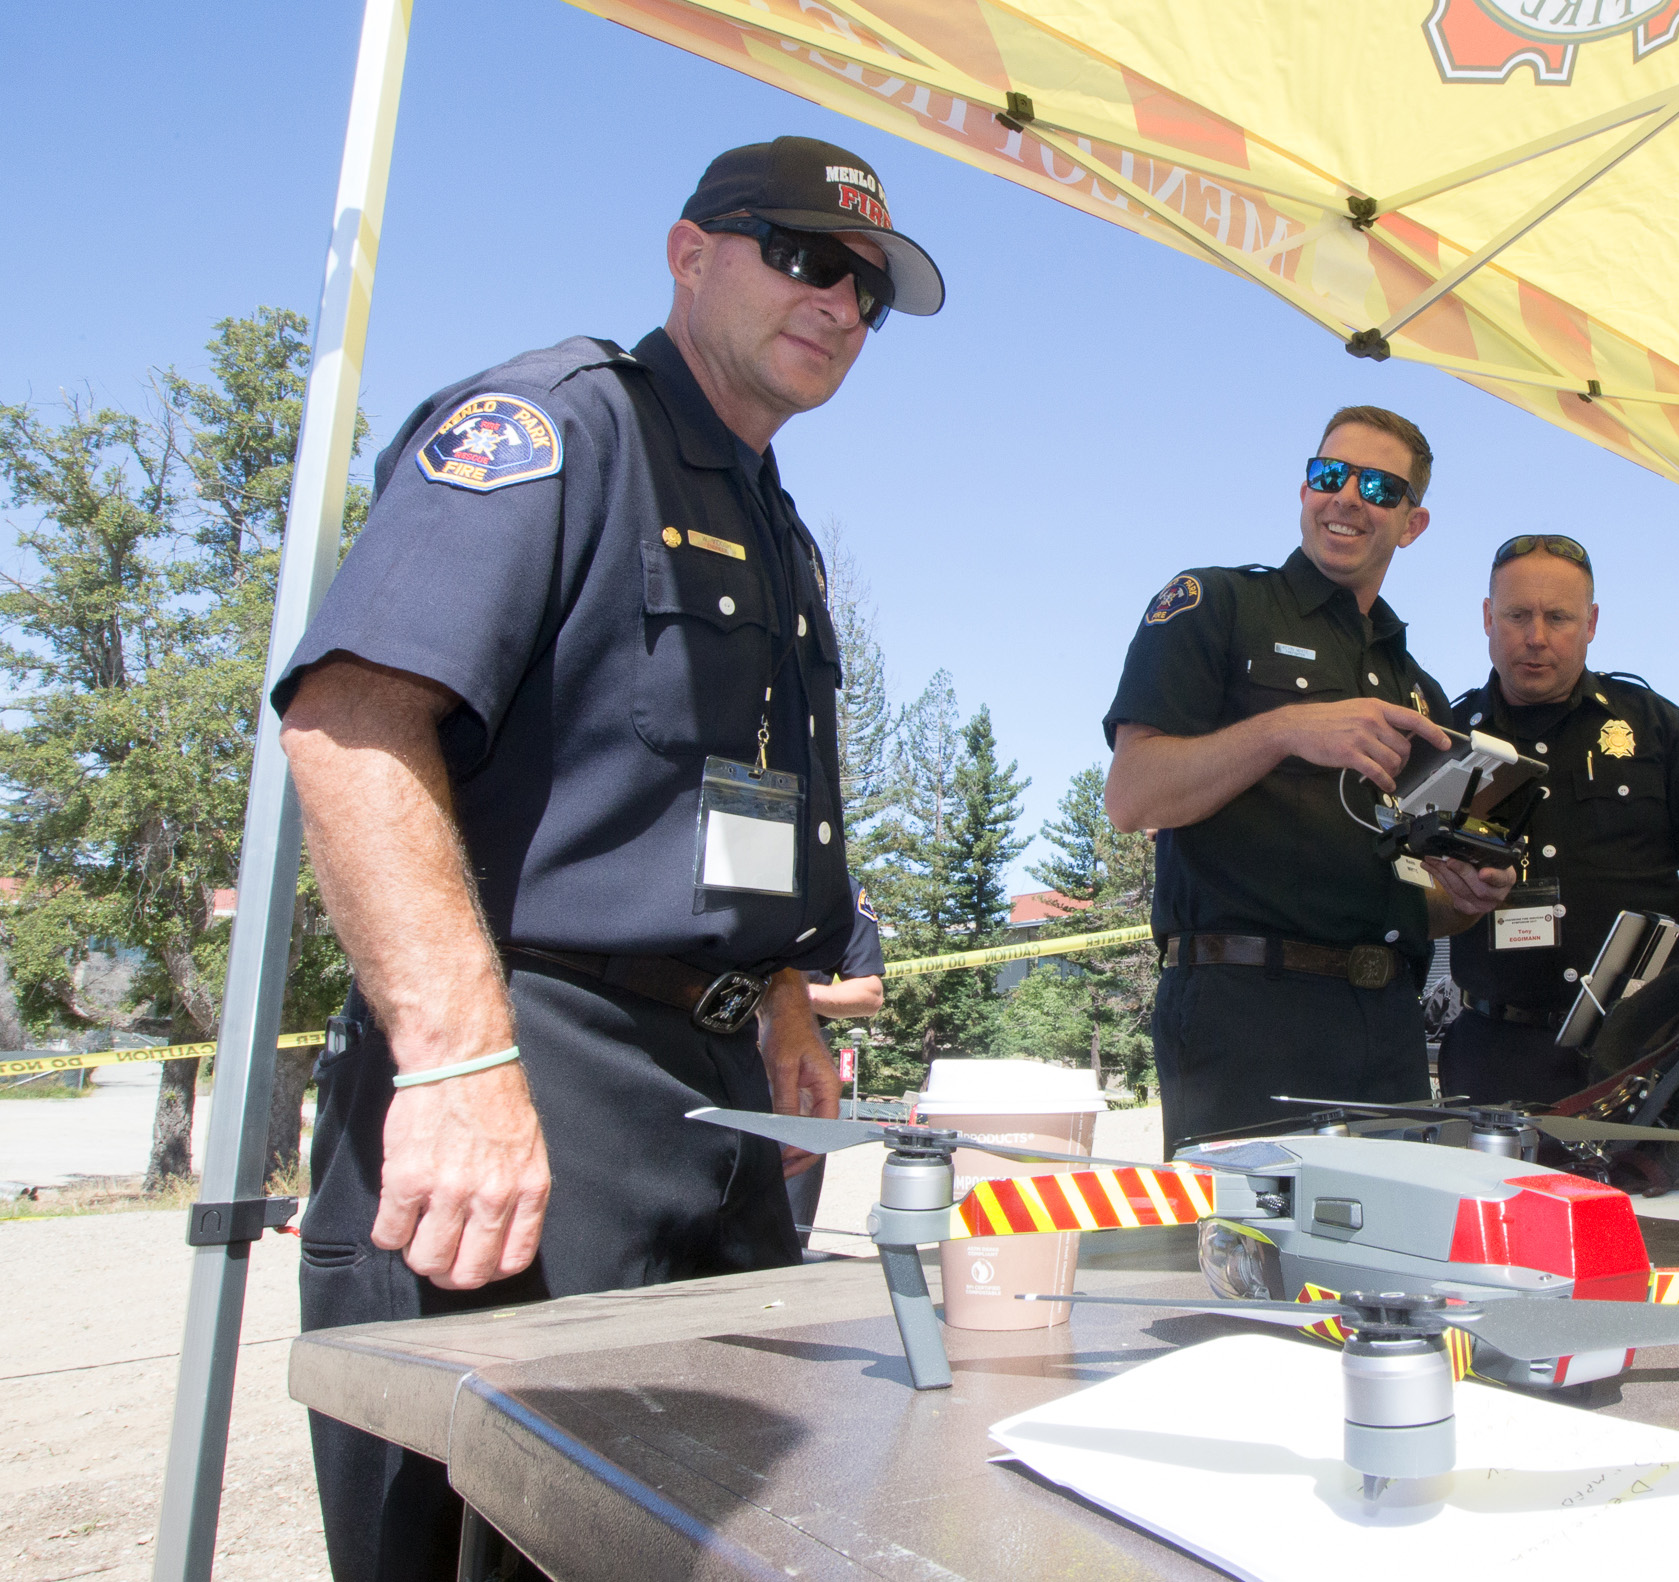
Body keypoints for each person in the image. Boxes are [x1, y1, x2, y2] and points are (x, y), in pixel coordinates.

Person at [272, 135, 942, 1582]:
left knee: (707, 1541)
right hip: (534, 1073)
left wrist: (777, 991)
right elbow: (352, 721)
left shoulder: (779, 527)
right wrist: (455, 1061)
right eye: (807, 257)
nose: (841, 303)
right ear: (689, 253)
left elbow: (706, 794)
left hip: (717, 1103)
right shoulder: (556, 428)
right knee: (492, 1538)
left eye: (871, 292)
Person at [1103, 408, 1515, 1151]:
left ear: (1413, 524)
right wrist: (1286, 729)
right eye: (1330, 475)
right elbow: (1132, 797)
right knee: (1250, 1230)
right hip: (1245, 1018)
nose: (1348, 497)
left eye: (1379, 487)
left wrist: (1464, 897)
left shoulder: (1419, 693)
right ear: (1304, 491)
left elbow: (1418, 899)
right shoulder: (1216, 605)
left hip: (1389, 1025)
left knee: (1393, 1230)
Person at [1439, 534, 1679, 1103]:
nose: (1536, 637)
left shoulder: (1656, 727)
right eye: (1517, 615)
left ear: (1590, 623)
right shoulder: (1449, 739)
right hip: (1494, 1059)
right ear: (1488, 618)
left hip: (1645, 1051)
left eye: (1558, 617)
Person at [781, 882, 888, 1248]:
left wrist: (788, 996)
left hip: (795, 1065)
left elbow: (869, 993)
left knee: (785, 1235)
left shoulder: (838, 886)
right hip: (692, 1046)